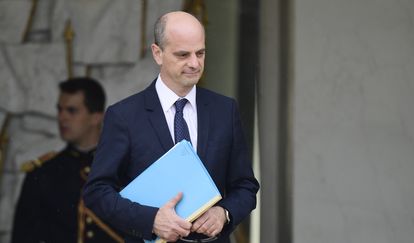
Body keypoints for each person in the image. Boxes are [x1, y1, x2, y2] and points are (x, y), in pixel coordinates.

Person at [82, 11, 259, 243]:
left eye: (201, 53)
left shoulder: (225, 110)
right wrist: (151, 220)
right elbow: (97, 192)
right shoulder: (124, 116)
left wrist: (223, 213)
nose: (195, 63)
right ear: (158, 53)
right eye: (183, 54)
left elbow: (245, 185)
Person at [11, 77, 124, 243]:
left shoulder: (125, 168)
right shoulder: (42, 174)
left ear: (96, 117)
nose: (62, 117)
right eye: (60, 110)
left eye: (72, 111)